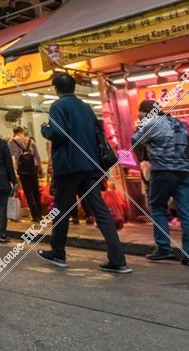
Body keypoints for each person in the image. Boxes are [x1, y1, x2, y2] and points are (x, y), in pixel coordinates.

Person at [38, 73, 131, 273]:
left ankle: (58, 253)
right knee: (100, 210)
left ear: (56, 89)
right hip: (90, 166)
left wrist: (45, 130)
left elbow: (58, 134)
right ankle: (118, 259)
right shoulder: (86, 107)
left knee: (61, 210)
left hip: (69, 166)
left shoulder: (58, 106)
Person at [132, 101, 189, 266]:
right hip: (185, 172)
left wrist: (144, 155)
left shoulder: (152, 123)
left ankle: (163, 248)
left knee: (158, 208)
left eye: (140, 112)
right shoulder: (180, 124)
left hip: (163, 171)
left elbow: (135, 140)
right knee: (186, 212)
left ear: (145, 112)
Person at [9, 126, 45, 222]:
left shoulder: (12, 142)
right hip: (33, 167)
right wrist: (40, 167)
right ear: (22, 131)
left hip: (22, 169)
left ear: (14, 132)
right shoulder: (30, 140)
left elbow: (11, 157)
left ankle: (35, 215)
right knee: (36, 191)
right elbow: (37, 155)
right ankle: (40, 213)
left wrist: (13, 170)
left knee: (28, 192)